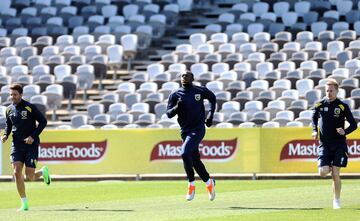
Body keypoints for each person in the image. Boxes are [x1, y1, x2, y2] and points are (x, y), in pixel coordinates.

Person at [166, 71, 216, 201]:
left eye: (187, 75)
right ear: (180, 78)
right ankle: (209, 182)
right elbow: (169, 114)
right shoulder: (175, 94)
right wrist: (177, 107)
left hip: (198, 129)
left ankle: (191, 183)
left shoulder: (200, 91)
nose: (184, 77)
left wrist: (210, 115)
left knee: (184, 153)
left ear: (192, 78)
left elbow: (213, 98)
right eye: (182, 75)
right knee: (195, 160)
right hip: (185, 131)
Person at [1, 84, 50, 211]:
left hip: (30, 145)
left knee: (30, 177)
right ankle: (24, 203)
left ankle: (42, 172)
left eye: (15, 94)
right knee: (17, 173)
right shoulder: (8, 109)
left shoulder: (30, 107)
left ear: (21, 95)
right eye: (11, 94)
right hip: (16, 145)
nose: (12, 97)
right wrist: (6, 135)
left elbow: (43, 122)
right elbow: (8, 125)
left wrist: (32, 136)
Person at [312, 79, 357, 209]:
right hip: (325, 144)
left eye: (331, 90)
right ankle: (330, 166)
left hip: (339, 144)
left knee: (336, 173)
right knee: (322, 172)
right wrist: (315, 131)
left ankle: (336, 200)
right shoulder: (319, 105)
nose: (329, 93)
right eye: (327, 90)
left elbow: (353, 124)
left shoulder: (342, 106)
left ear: (337, 91)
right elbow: (314, 119)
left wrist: (345, 131)